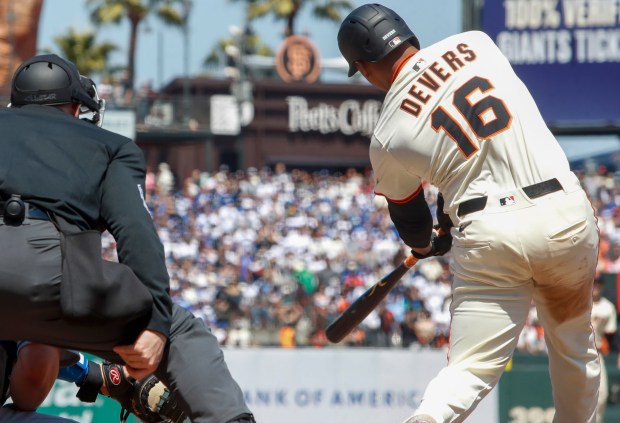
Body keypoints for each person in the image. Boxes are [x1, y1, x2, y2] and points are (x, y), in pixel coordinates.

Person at [337, 4, 600, 423]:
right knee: (573, 346)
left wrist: (426, 243)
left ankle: (429, 418)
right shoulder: (474, 43)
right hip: (562, 216)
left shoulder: (387, 135)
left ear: (365, 68)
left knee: (469, 368)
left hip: (489, 234)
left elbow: (410, 216)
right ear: (408, 37)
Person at [0, 53, 254, 423]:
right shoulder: (111, 146)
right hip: (57, 279)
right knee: (179, 329)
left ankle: (91, 369)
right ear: (76, 107)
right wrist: (155, 325)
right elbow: (135, 233)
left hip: (38, 314)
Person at [591, 277, 617, 422]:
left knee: (602, 395)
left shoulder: (607, 308)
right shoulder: (578, 302)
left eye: (598, 283)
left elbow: (612, 335)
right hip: (575, 352)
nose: (595, 286)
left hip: (596, 353)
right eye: (593, 282)